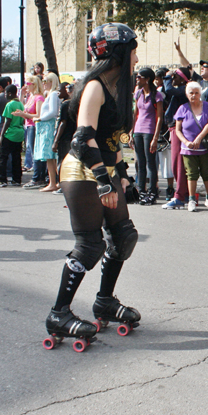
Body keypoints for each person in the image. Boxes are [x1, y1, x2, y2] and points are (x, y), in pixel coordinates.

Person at [45, 22, 141, 350]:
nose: (136, 58)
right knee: (90, 246)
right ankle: (59, 313)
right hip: (83, 170)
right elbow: (84, 139)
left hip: (106, 169)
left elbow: (113, 139)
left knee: (124, 236)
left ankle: (104, 301)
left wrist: (123, 172)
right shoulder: (95, 87)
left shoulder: (119, 90)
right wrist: (104, 183)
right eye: (132, 51)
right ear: (117, 53)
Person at [174, 82, 208, 211]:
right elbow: (178, 130)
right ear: (187, 94)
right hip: (188, 149)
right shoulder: (182, 108)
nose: (194, 95)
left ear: (200, 94)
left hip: (204, 147)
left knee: (207, 174)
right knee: (191, 174)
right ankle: (192, 200)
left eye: (196, 93)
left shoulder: (207, 106)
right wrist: (186, 142)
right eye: (191, 93)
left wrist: (199, 138)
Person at [161, 67, 192, 209]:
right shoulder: (180, 89)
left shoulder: (184, 89)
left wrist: (167, 77)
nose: (173, 79)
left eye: (176, 76)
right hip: (173, 127)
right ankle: (183, 194)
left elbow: (169, 90)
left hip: (179, 128)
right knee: (176, 163)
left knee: (177, 163)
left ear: (183, 78)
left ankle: (179, 195)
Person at [131, 68, 164, 197]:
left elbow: (160, 117)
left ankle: (152, 190)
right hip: (138, 130)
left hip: (150, 130)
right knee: (140, 162)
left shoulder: (157, 95)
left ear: (147, 79)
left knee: (150, 162)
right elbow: (135, 114)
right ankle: (141, 190)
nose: (137, 79)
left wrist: (155, 138)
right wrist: (131, 132)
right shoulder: (138, 94)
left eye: (140, 77)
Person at [16, 75, 46, 186]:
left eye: (28, 84)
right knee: (31, 150)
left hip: (34, 125)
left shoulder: (39, 97)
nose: (26, 86)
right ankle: (38, 176)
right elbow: (24, 108)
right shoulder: (31, 97)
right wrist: (22, 95)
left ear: (34, 84)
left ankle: (38, 177)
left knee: (35, 152)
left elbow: (38, 114)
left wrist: (23, 114)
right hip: (28, 125)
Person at [34, 72, 61, 192]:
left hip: (49, 126)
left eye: (46, 81)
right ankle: (54, 181)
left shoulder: (54, 94)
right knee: (50, 157)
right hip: (46, 126)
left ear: (52, 82)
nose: (43, 84)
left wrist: (40, 118)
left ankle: (53, 182)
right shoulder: (49, 94)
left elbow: (53, 112)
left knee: (50, 156)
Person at [0, 85, 25, 187]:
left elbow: (7, 120)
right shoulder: (20, 104)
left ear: (10, 93)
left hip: (10, 133)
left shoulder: (9, 105)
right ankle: (17, 179)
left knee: (2, 157)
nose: (5, 95)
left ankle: (1, 179)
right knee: (16, 157)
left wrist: (1, 136)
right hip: (19, 132)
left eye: (6, 93)